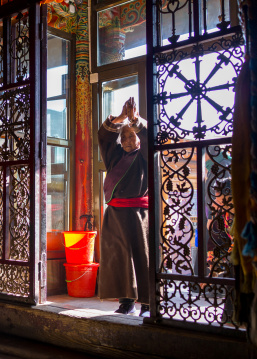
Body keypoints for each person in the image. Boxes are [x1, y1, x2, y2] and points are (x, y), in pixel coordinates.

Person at [97, 97, 150, 317]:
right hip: (115, 216)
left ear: (138, 138)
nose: (127, 139)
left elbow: (150, 136)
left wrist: (135, 119)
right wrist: (120, 118)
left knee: (142, 257)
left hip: (139, 216)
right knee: (120, 258)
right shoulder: (115, 157)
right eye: (124, 136)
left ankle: (148, 304)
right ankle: (126, 302)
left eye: (132, 135)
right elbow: (104, 136)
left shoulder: (144, 156)